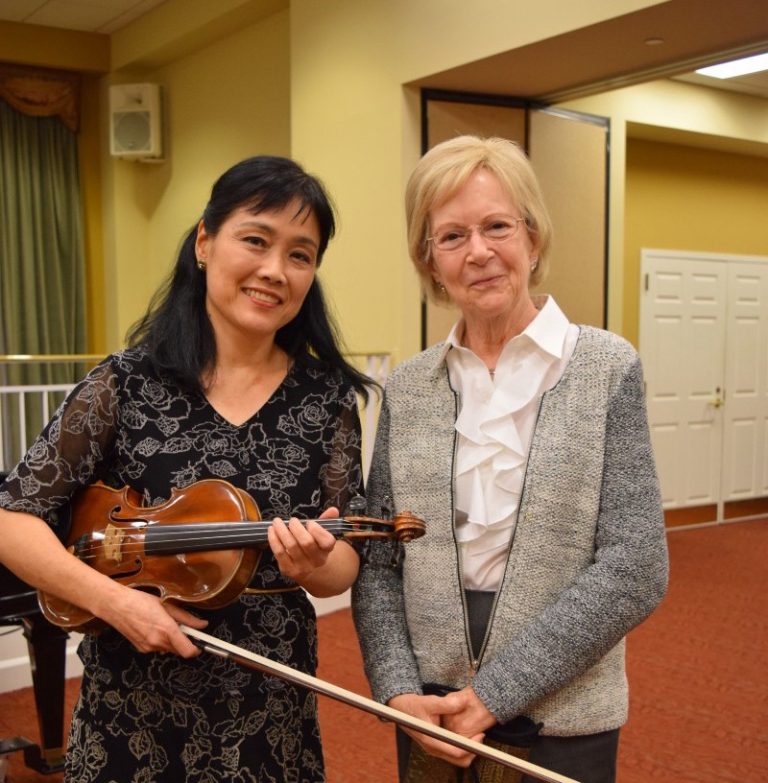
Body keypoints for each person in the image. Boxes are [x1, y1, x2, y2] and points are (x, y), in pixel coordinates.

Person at [0, 155, 372, 782]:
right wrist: (118, 605)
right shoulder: (124, 383)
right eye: (255, 240)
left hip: (269, 702)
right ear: (205, 241)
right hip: (134, 705)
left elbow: (342, 567)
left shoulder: (327, 399)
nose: (274, 270)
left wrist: (317, 563)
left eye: (300, 254)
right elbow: (13, 519)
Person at [352, 135, 669, 783]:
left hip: (565, 708)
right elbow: (378, 556)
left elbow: (636, 564)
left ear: (533, 237)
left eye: (498, 225)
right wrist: (395, 688)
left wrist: (499, 689)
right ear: (429, 260)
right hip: (430, 705)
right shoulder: (409, 388)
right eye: (451, 236)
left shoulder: (606, 367)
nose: (479, 251)